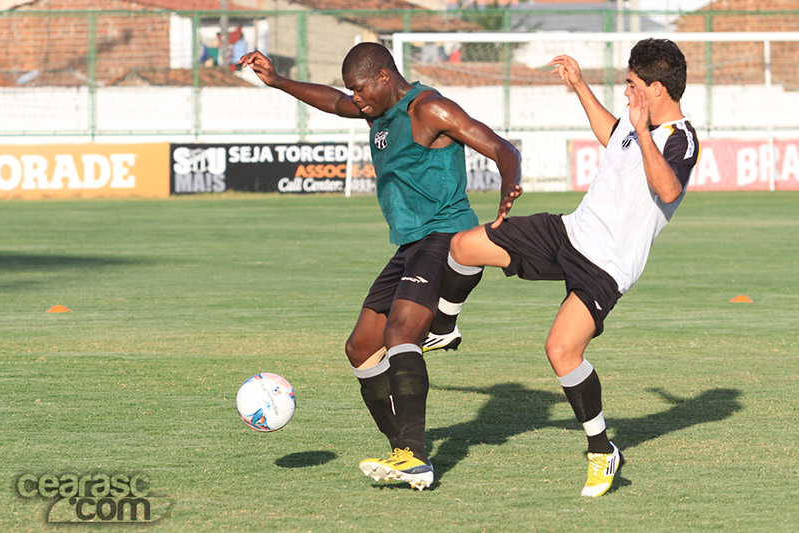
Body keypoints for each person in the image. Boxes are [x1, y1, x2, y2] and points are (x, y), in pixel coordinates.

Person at [238, 42, 522, 491]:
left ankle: (415, 455)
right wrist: (277, 82)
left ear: (385, 76)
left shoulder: (428, 109)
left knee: (400, 335)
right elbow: (332, 102)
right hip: (410, 244)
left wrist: (510, 185)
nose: (354, 98)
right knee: (361, 348)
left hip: (444, 234)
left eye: (360, 89)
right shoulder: (376, 110)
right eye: (352, 91)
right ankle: (402, 447)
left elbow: (501, 147)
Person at [436, 38, 700, 497]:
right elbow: (610, 133)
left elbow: (670, 190)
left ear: (657, 88)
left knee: (561, 351)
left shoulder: (680, 138)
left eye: (633, 84)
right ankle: (444, 325)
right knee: (463, 245)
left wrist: (641, 132)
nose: (627, 92)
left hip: (606, 266)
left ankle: (602, 451)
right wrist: (579, 86)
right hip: (569, 233)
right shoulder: (634, 123)